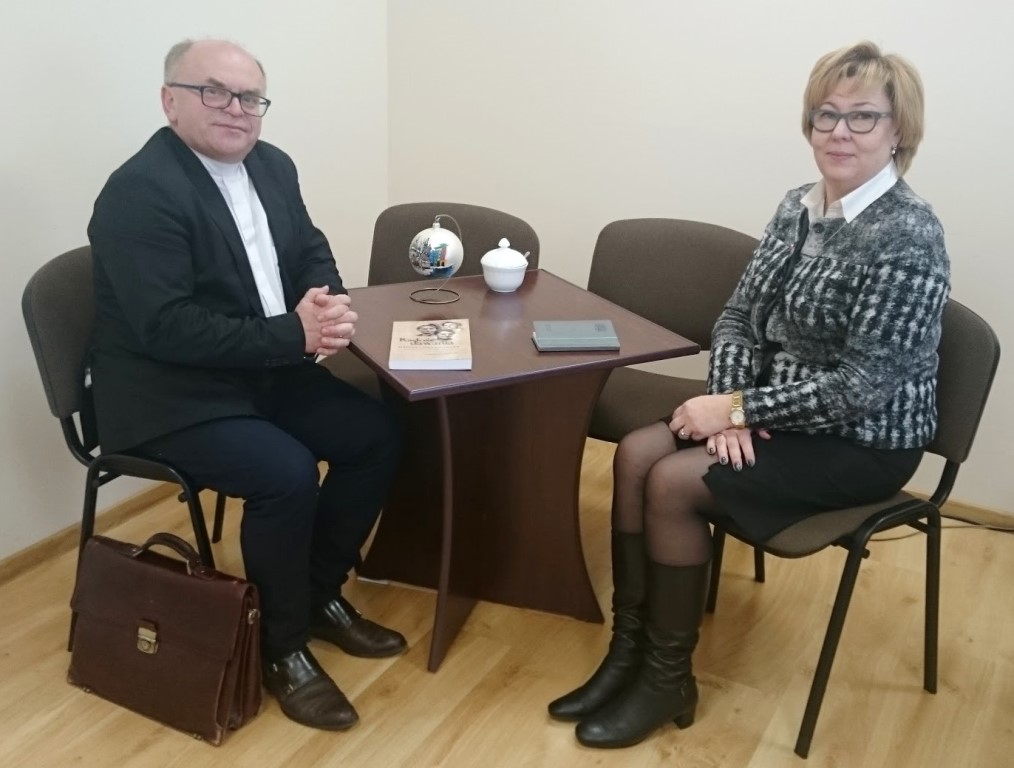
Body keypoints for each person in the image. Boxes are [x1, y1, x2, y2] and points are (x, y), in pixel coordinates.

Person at [548, 41, 950, 748]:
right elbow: (738, 317)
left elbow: (861, 389)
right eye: (826, 113)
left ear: (898, 132)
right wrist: (730, 402)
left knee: (672, 482)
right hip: (779, 411)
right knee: (636, 453)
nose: (840, 131)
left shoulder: (909, 235)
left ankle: (668, 678)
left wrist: (735, 409)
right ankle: (627, 654)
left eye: (862, 116)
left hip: (863, 441)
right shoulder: (799, 206)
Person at [88, 38, 405, 732]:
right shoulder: (139, 193)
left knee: (375, 435)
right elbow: (166, 328)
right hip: (170, 394)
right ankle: (280, 646)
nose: (236, 109)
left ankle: (316, 595)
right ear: (170, 100)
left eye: (250, 97)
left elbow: (308, 247)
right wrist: (294, 335)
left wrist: (325, 302)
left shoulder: (272, 164)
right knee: (285, 475)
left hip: (259, 370)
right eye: (214, 92)